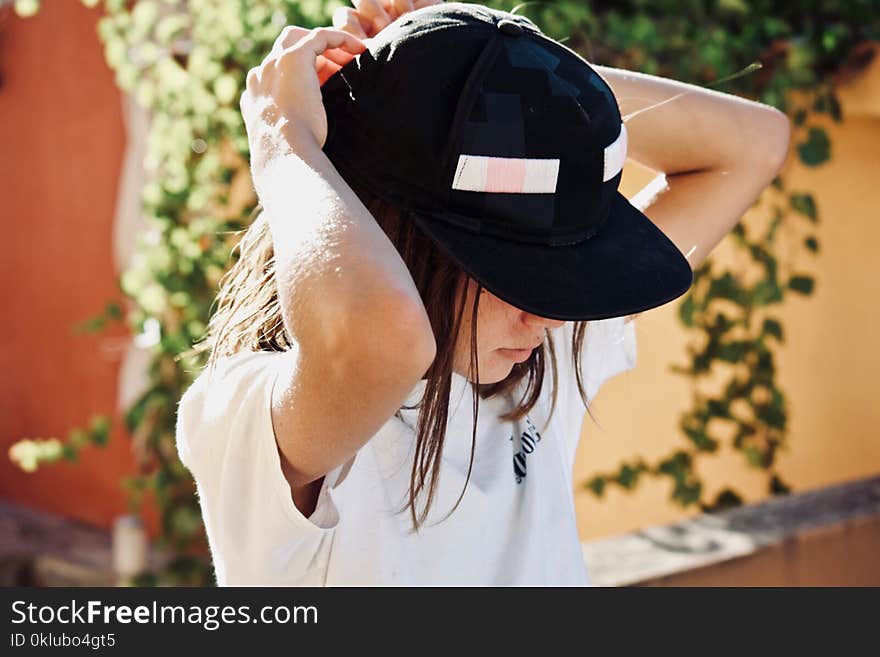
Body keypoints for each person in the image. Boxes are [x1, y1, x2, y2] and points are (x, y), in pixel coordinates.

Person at [175, 1, 790, 586]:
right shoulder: (252, 417)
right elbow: (383, 342)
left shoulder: (531, 361)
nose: (549, 314)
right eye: (513, 269)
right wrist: (283, 139)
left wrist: (490, 72)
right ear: (402, 238)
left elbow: (752, 146)